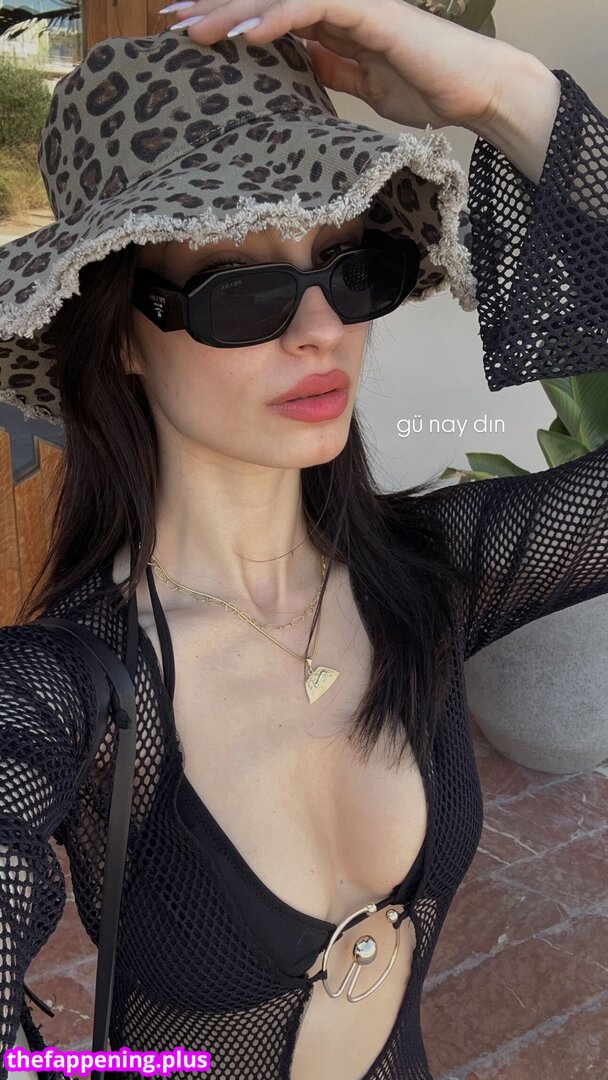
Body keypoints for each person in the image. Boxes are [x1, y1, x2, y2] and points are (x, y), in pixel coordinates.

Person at [0, 2, 606, 1078]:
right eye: (243, 291)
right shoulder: (60, 692)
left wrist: (499, 95)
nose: (322, 328)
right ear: (123, 337)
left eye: (348, 267)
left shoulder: (430, 575)